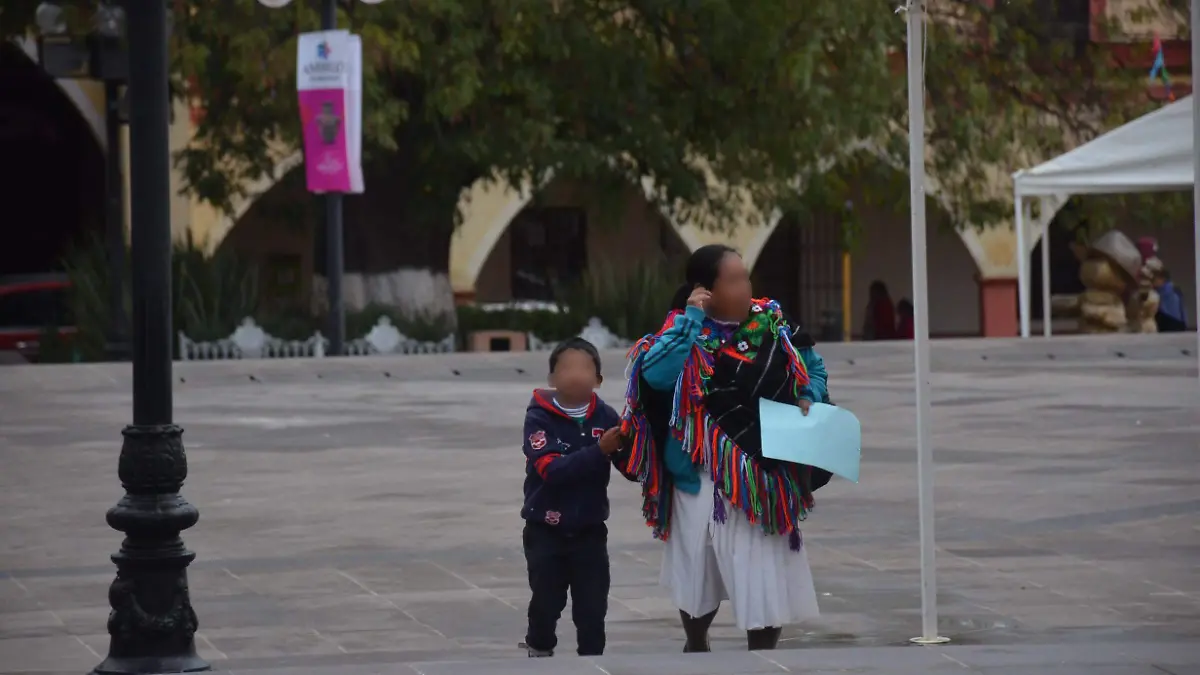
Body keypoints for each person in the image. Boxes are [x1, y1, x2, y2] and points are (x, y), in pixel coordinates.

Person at [619, 244, 829, 652]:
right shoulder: (681, 331)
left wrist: (809, 395)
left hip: (761, 471)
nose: (745, 287)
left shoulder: (774, 324)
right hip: (697, 473)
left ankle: (763, 654)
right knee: (696, 568)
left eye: (745, 276)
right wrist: (692, 320)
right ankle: (696, 643)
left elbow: (812, 368)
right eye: (733, 280)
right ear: (705, 290)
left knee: (762, 571)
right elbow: (657, 377)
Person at [520, 338, 631, 658]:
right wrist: (599, 451)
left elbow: (627, 465)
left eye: (585, 368)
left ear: (598, 380)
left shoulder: (607, 417)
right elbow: (552, 470)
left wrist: (637, 442)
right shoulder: (539, 418)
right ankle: (539, 648)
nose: (575, 375)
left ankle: (592, 662)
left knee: (593, 609)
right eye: (566, 367)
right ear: (552, 378)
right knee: (546, 602)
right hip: (546, 528)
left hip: (590, 530)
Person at [1153, 268, 1188, 333]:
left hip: (1170, 321)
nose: (1153, 281)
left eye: (1155, 278)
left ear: (1162, 279)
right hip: (1178, 322)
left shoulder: (1165, 291)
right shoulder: (1175, 289)